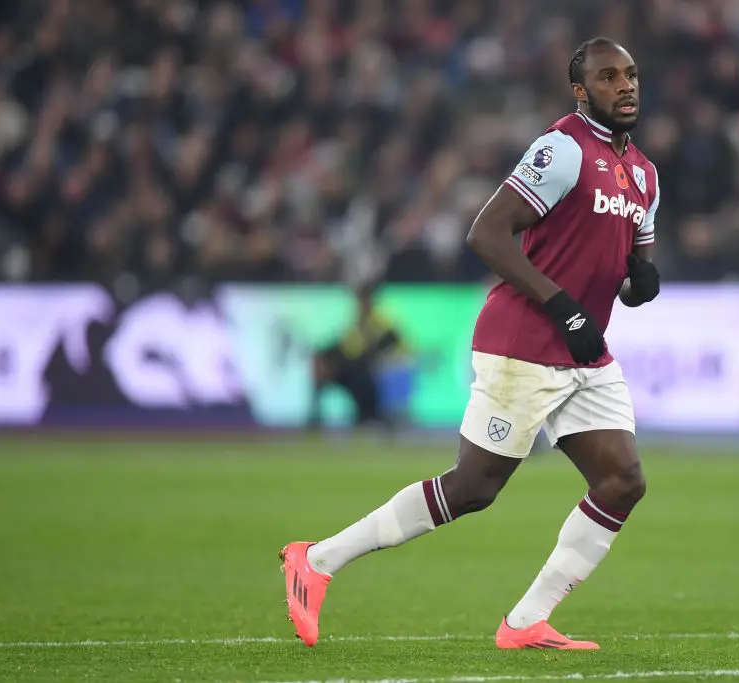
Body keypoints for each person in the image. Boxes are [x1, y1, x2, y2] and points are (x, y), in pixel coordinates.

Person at [280, 37, 661, 651]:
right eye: (609, 76)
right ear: (581, 90)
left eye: (632, 74)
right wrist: (563, 306)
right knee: (474, 488)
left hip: (583, 352)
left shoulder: (644, 174)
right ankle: (317, 560)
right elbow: (486, 234)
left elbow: (633, 264)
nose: (625, 85)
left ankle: (525, 623)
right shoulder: (563, 148)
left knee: (622, 480)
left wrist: (643, 279)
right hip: (524, 340)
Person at [309, 286, 404, 430]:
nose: (361, 306)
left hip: (373, 372)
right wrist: (324, 356)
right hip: (355, 369)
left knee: (362, 378)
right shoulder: (356, 323)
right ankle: (315, 417)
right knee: (329, 366)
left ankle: (369, 417)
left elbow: (388, 344)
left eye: (363, 302)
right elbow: (344, 346)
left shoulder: (379, 323)